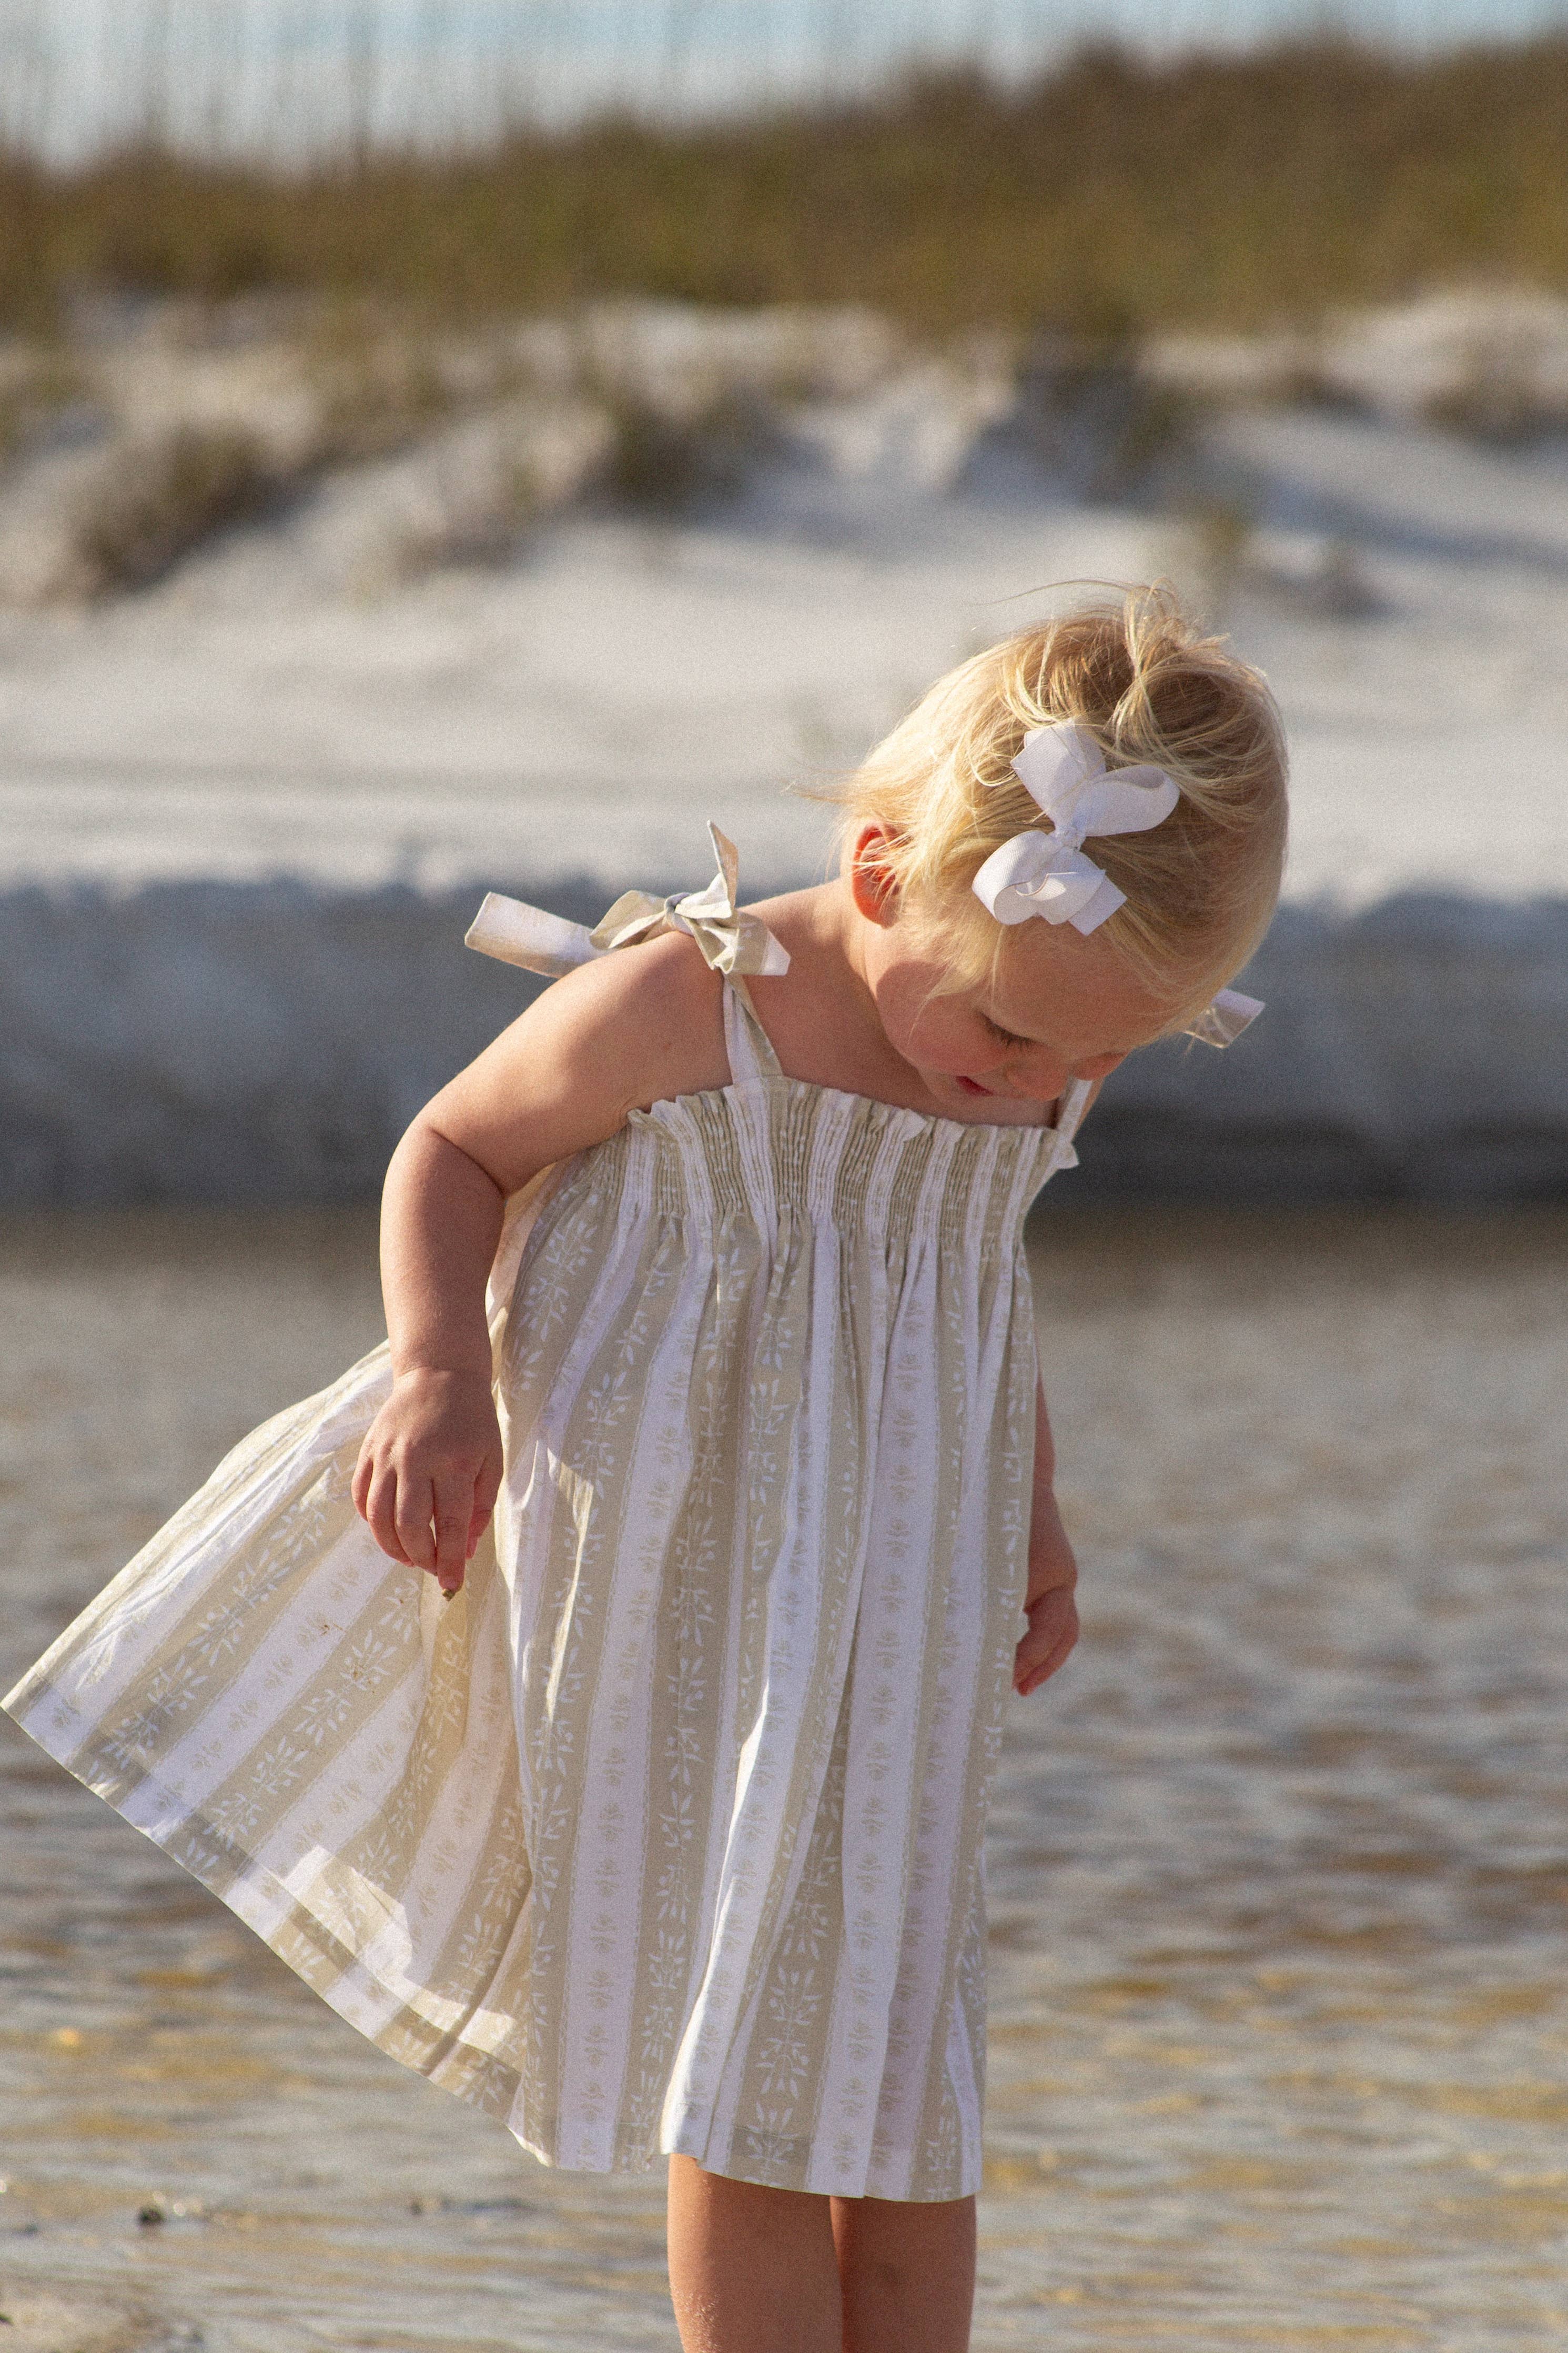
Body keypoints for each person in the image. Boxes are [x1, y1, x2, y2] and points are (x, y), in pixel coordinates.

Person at [5, 585, 1287, 2352]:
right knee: (748, 2058)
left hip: (898, 1593)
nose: (1036, 1089)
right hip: (687, 1578)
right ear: (878, 870)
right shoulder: (703, 998)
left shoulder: (1032, 1035)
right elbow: (453, 1146)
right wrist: (443, 1369)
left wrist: (1035, 1518)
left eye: (1100, 1060)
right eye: (1009, 1046)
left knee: (906, 2059)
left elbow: (972, 1274)